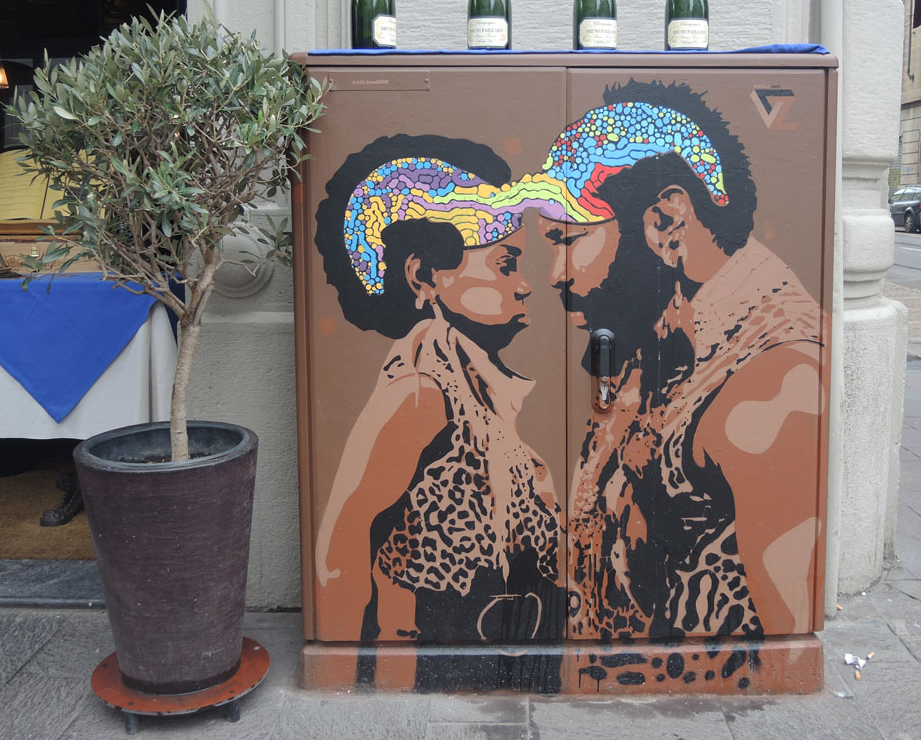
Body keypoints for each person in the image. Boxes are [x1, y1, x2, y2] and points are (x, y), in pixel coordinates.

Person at [518, 80, 823, 645]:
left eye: (566, 239)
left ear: (666, 219)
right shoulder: (667, 326)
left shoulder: (777, 374)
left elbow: (781, 646)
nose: (555, 274)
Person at [312, 134, 564, 691]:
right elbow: (344, 541)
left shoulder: (476, 386)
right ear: (425, 277)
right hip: (426, 665)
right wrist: (337, 681)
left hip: (488, 662)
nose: (524, 285)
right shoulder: (421, 390)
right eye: (504, 265)